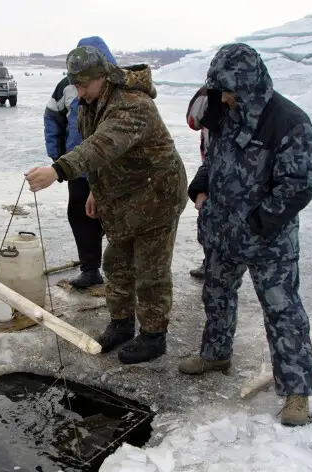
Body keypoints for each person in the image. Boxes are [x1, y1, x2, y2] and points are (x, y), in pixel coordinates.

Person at [178, 43, 312, 426]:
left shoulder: (289, 121)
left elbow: (298, 186)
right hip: (222, 234)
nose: (224, 97)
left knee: (283, 312)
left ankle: (296, 392)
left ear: (251, 84)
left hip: (268, 241)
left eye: (231, 89)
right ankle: (215, 354)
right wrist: (201, 190)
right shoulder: (226, 114)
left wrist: (255, 224)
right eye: (220, 89)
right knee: (217, 295)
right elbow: (213, 161)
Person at [25, 46, 187, 364]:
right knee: (116, 263)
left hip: (158, 196)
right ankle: (122, 325)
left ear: (102, 77)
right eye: (77, 86)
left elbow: (102, 145)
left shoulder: (132, 102)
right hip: (126, 198)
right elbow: (98, 154)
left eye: (84, 85)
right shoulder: (91, 101)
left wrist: (57, 170)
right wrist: (95, 191)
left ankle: (154, 337)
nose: (80, 92)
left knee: (150, 271)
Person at [43, 36, 117, 289]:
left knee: (117, 219)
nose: (82, 90)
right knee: (80, 215)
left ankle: (125, 274)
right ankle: (90, 268)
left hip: (113, 170)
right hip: (78, 169)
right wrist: (57, 157)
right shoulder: (66, 85)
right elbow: (53, 118)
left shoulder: (118, 89)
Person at [185, 86, 209, 280]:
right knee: (207, 216)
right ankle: (210, 260)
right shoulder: (208, 94)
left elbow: (193, 120)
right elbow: (193, 121)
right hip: (211, 167)